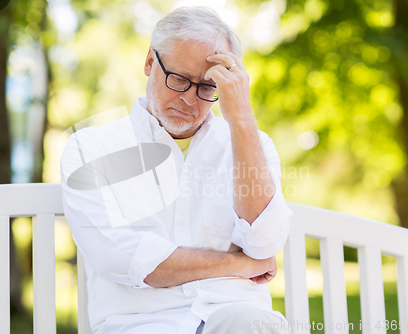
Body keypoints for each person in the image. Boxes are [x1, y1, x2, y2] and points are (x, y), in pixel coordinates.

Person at [61, 6, 292, 334]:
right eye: (180, 79)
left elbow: (264, 243)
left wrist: (241, 117)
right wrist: (240, 264)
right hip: (143, 325)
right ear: (149, 62)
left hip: (234, 319)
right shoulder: (91, 148)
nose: (190, 100)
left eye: (208, 88)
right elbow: (122, 257)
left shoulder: (253, 144)